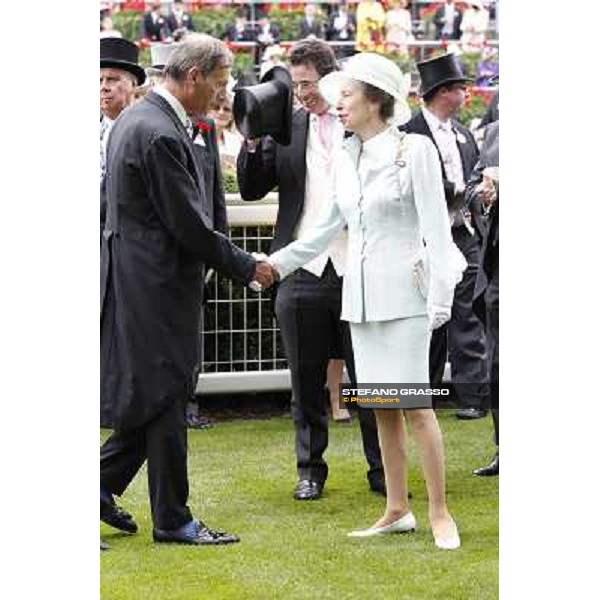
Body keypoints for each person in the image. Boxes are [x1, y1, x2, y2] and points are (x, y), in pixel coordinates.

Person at [267, 52, 465, 549]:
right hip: (359, 299)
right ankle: (396, 509)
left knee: (417, 407)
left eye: (347, 95)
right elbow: (325, 230)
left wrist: (440, 299)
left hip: (409, 299)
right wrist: (272, 266)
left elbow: (438, 234)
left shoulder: (414, 149)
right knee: (382, 408)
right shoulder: (349, 156)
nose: (338, 105)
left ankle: (440, 513)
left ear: (375, 99)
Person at [100, 33, 275, 546]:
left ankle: (114, 491)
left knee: (162, 397)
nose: (223, 95)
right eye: (219, 83)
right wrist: (248, 265)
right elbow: (190, 227)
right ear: (194, 76)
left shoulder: (142, 120)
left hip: (142, 282)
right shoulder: (158, 130)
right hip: (154, 286)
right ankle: (173, 519)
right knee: (170, 392)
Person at [237, 39, 384, 500]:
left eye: (308, 83)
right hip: (299, 267)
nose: (301, 93)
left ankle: (382, 470)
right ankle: (309, 471)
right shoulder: (285, 127)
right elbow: (251, 189)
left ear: (331, 76)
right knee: (304, 378)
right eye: (295, 84)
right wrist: (254, 136)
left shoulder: (361, 124)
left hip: (360, 264)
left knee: (371, 380)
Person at [401, 53, 489, 420]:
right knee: (428, 320)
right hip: (423, 238)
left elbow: (473, 177)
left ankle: (472, 396)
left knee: (467, 314)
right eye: (458, 88)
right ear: (440, 92)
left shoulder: (465, 135)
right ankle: (426, 394)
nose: (465, 94)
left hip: (463, 234)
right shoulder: (409, 133)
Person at [468, 119, 499, 476]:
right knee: (496, 366)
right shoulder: (494, 132)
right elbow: (474, 189)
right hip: (495, 272)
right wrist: (485, 196)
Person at [100, 37, 145, 234]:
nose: (103, 86)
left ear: (134, 85)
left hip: (129, 244)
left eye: (112, 79)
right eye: (98, 80)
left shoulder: (148, 131)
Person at [207, 89, 242, 170]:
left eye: (226, 109)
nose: (221, 112)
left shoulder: (235, 141)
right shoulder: (198, 137)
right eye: (216, 108)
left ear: (232, 116)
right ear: (208, 111)